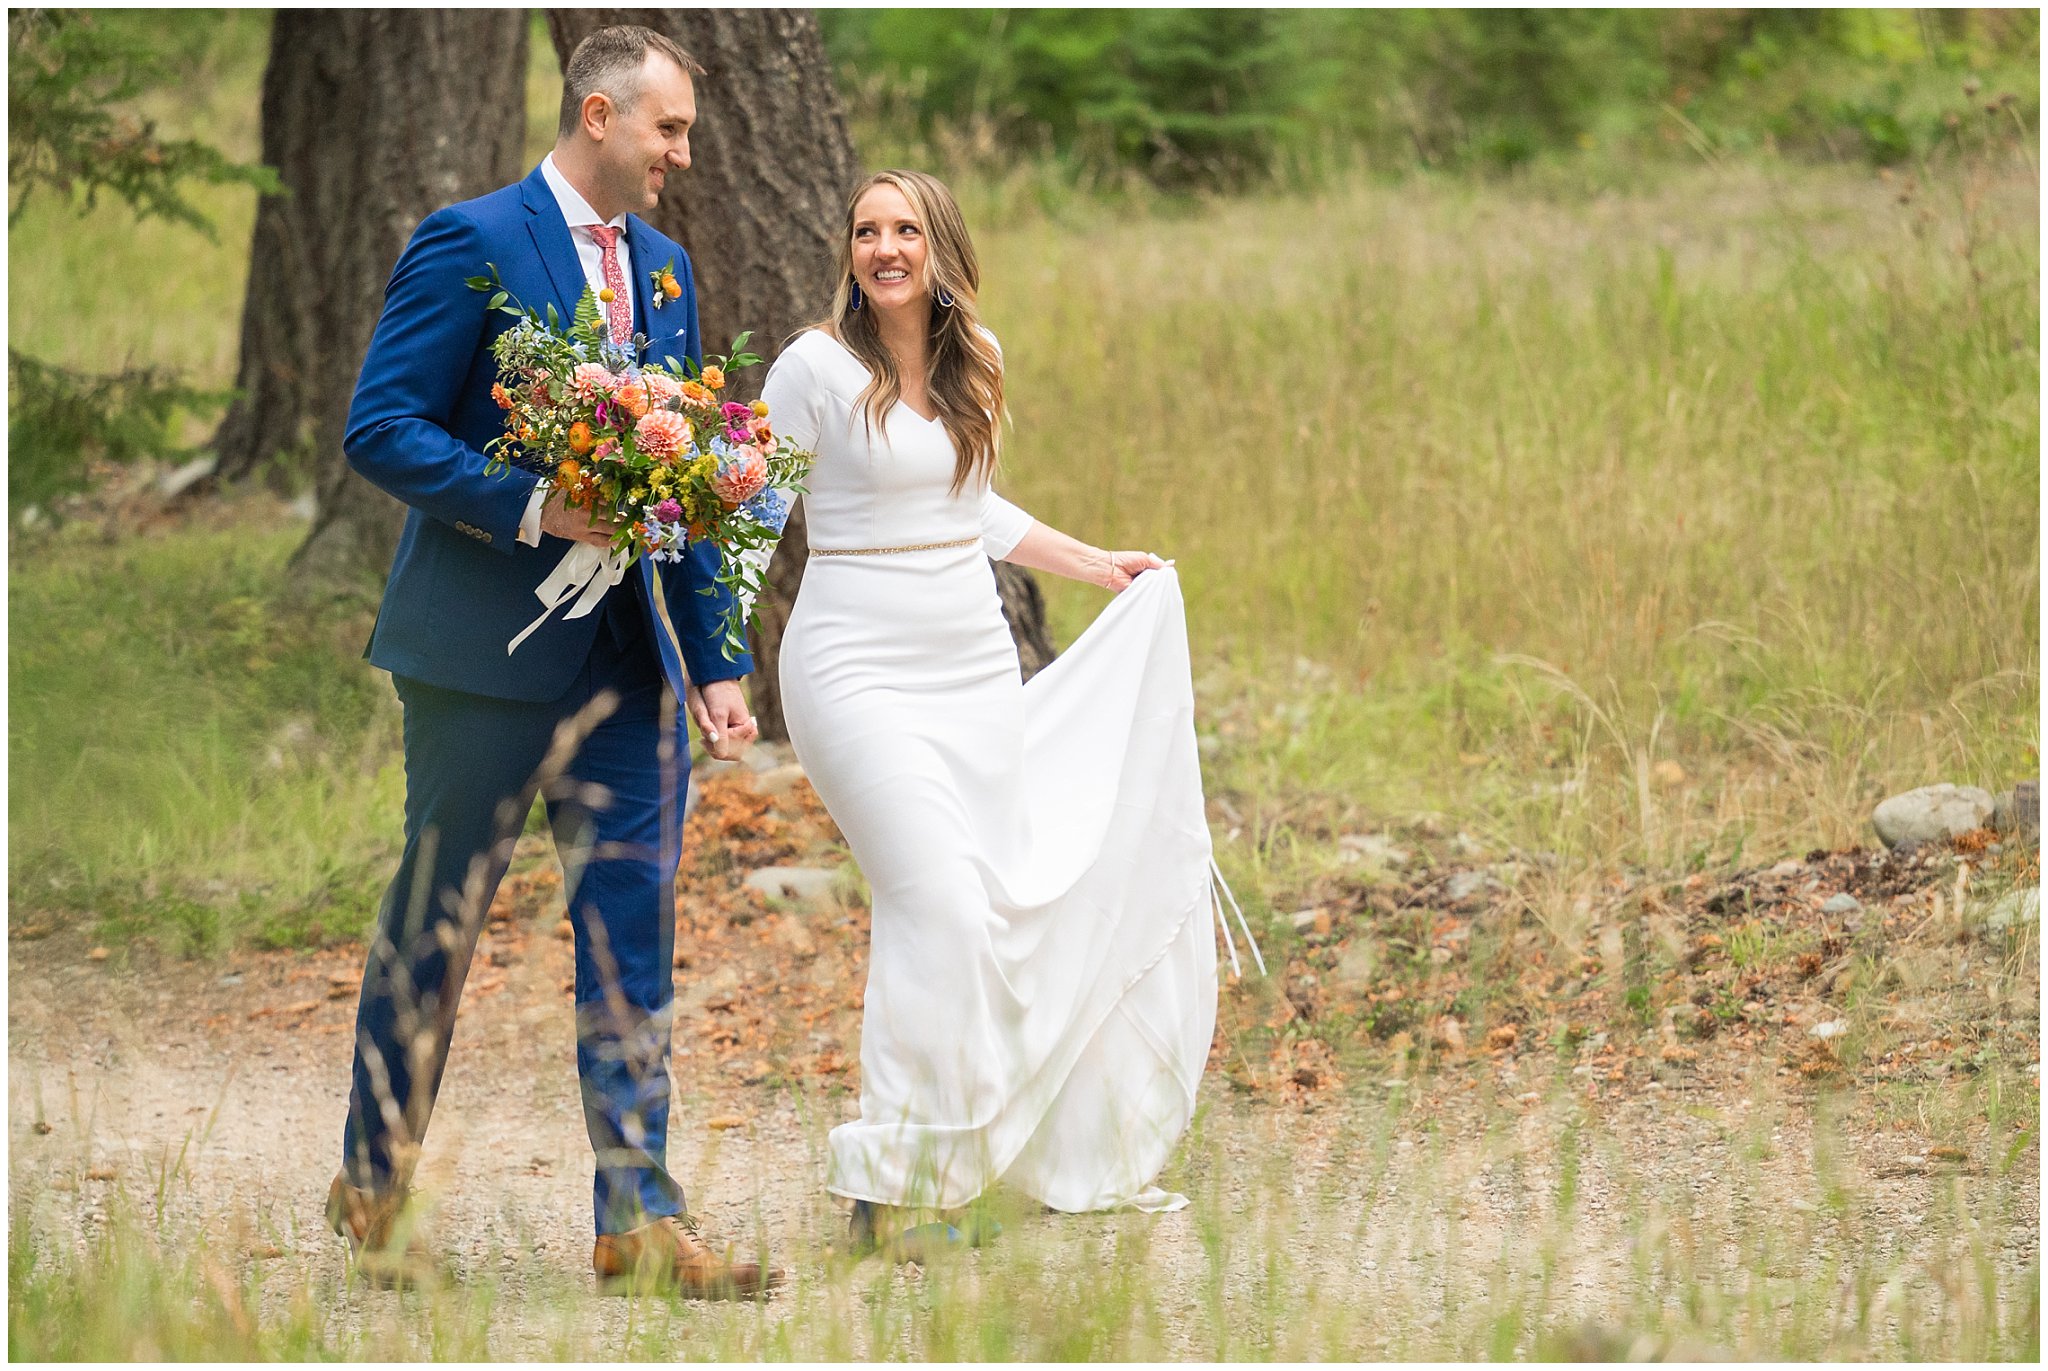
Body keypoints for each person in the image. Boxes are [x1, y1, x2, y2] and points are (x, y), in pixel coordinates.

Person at [329, 25, 779, 1298]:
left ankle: (637, 1222)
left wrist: (715, 655)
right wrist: (535, 505)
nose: (680, 155)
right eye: (669, 130)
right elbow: (382, 428)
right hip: (479, 660)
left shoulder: (669, 271)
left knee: (630, 936)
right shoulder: (470, 242)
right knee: (437, 928)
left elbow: (680, 481)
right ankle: (374, 1184)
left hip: (629, 668)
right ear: (599, 115)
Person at [757, 170, 1232, 1253]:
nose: (884, 248)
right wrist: (711, 667)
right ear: (848, 252)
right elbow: (747, 521)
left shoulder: (978, 363)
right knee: (940, 906)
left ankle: (975, 1154)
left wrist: (1091, 563)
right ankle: (895, 1187)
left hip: (972, 672)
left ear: (940, 248)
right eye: (866, 232)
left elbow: (971, 509)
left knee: (990, 903)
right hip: (852, 669)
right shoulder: (811, 369)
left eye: (905, 231)